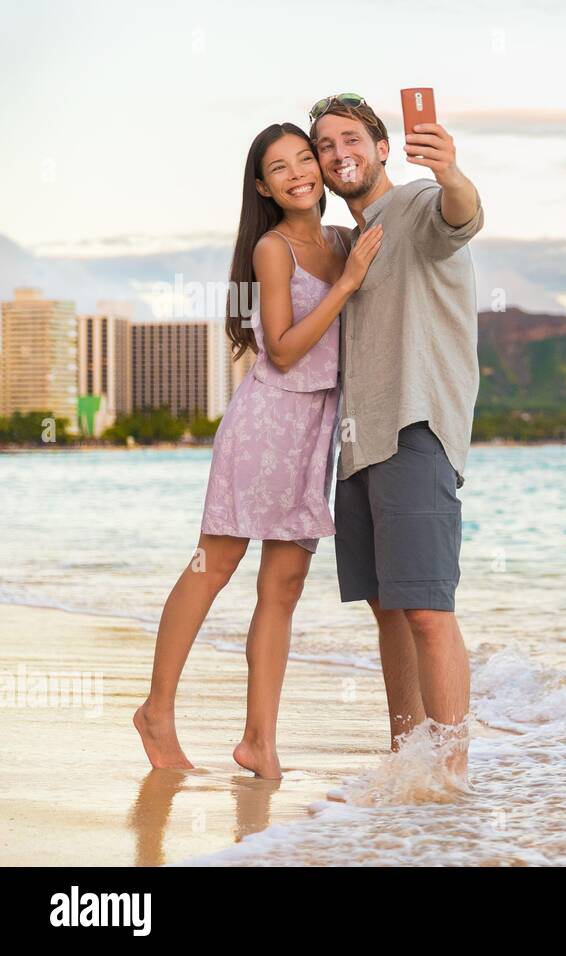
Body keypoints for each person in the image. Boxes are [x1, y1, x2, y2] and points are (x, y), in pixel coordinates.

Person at [133, 122, 382, 779]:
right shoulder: (275, 249)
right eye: (281, 167)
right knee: (213, 563)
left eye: (308, 157)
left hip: (317, 427)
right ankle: (156, 711)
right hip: (267, 420)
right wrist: (349, 282)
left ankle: (258, 741)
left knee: (286, 585)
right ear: (262, 186)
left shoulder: (341, 240)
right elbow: (283, 347)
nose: (300, 171)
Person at [308, 93, 483, 781]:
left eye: (350, 138)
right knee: (389, 610)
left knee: (428, 609)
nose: (337, 152)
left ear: (382, 147)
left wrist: (452, 173)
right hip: (361, 443)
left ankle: (451, 777)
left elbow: (460, 216)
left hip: (415, 427)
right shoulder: (348, 243)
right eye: (324, 144)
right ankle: (407, 762)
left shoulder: (415, 204)